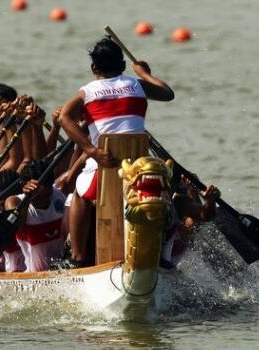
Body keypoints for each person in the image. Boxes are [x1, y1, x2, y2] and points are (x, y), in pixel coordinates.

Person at [57, 37, 174, 267]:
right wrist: (144, 73)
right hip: (139, 172)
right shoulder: (137, 85)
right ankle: (158, 254)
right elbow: (167, 93)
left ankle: (77, 258)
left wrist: (91, 150)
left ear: (93, 68)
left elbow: (64, 118)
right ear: (122, 66)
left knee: (78, 191)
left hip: (105, 166)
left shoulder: (88, 92)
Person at [4, 160, 66, 272]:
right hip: (35, 276)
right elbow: (16, 226)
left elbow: (73, 170)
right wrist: (28, 198)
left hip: (63, 270)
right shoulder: (14, 202)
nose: (43, 200)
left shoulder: (59, 194)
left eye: (47, 195)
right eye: (37, 197)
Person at [161, 175, 221, 268]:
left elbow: (204, 216)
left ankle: (193, 189)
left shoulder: (178, 201)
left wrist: (210, 201)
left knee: (192, 227)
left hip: (166, 267)